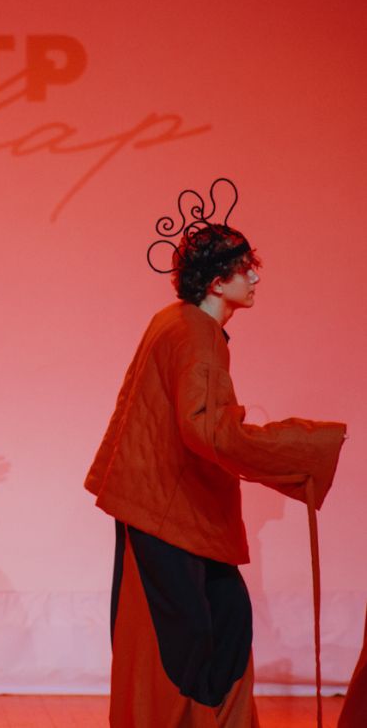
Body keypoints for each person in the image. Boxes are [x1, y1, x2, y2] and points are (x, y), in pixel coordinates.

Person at [84, 180, 346, 727]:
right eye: (244, 268)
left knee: (203, 632)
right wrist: (306, 447)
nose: (255, 277)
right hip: (168, 515)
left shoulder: (176, 321)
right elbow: (208, 432)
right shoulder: (196, 336)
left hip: (162, 510)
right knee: (196, 647)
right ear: (216, 280)